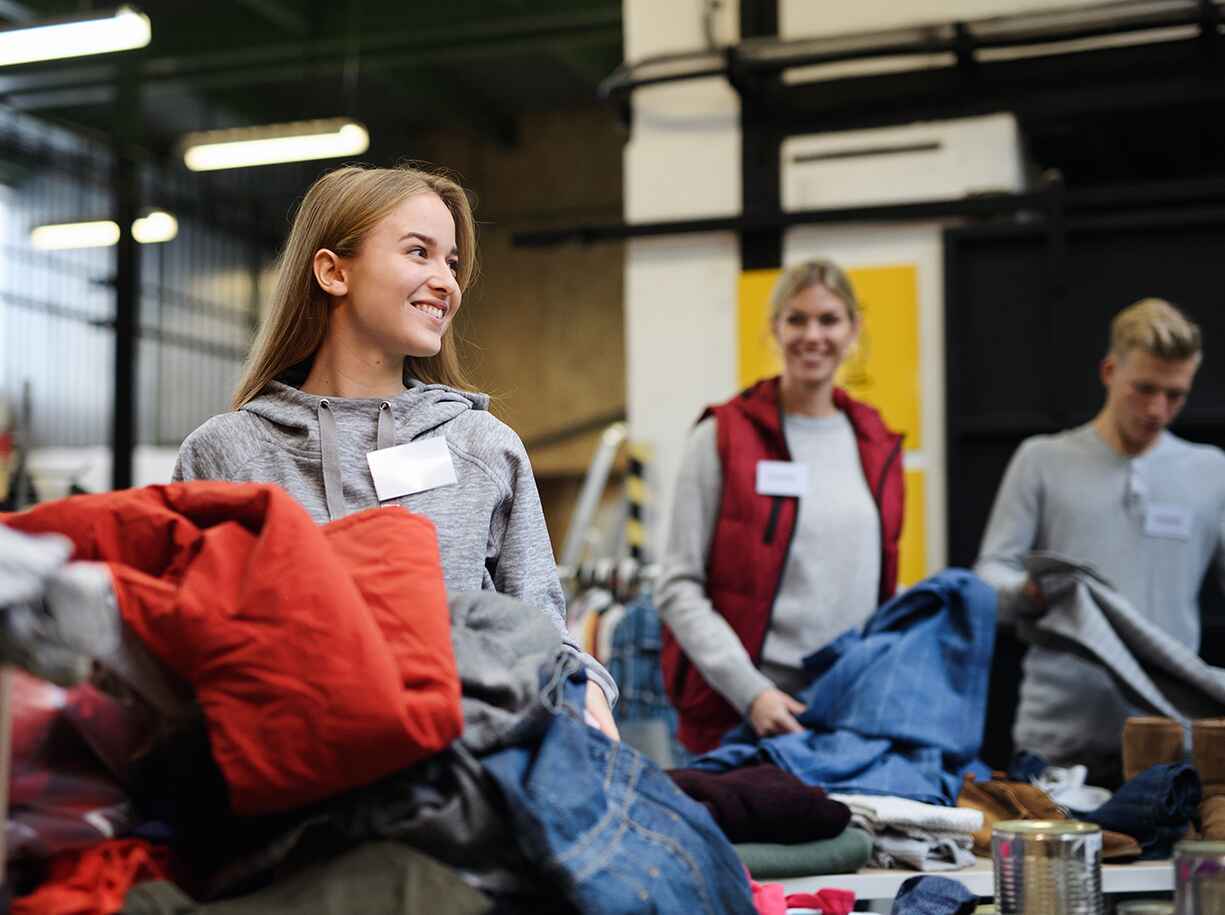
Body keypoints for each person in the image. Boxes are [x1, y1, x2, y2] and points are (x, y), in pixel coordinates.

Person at [173, 164, 618, 738]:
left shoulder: (482, 447)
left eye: (452, 263)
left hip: (459, 780)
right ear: (333, 272)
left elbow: (540, 628)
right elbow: (190, 643)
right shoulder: (226, 456)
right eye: (418, 253)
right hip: (288, 784)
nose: (447, 282)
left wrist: (586, 693)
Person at [656, 259, 905, 754]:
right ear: (775, 328)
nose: (813, 335)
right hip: (738, 717)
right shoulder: (722, 437)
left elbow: (880, 585)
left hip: (843, 714)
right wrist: (753, 693)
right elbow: (677, 586)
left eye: (829, 320)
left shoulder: (877, 444)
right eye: (797, 319)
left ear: (853, 329)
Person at [976, 297, 1225, 777]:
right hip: (1057, 735)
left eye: (1175, 395)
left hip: (1169, 736)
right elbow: (988, 574)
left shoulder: (1211, 471)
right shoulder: (1042, 460)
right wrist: (1026, 592)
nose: (1157, 409)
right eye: (1144, 389)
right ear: (1110, 371)